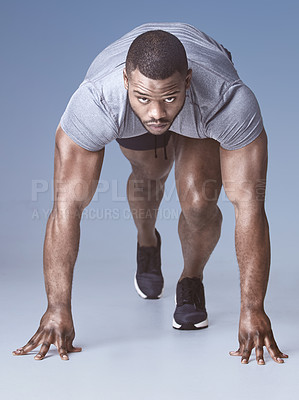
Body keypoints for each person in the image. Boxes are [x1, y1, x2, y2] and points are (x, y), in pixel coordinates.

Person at [13, 22, 288, 364]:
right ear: (126, 83)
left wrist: (253, 308)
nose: (157, 114)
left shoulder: (226, 100)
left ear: (187, 82)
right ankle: (147, 242)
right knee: (150, 173)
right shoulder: (98, 101)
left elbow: (250, 205)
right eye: (144, 98)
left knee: (199, 200)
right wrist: (56, 307)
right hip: (129, 107)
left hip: (200, 106)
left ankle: (191, 280)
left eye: (169, 98)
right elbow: (66, 206)